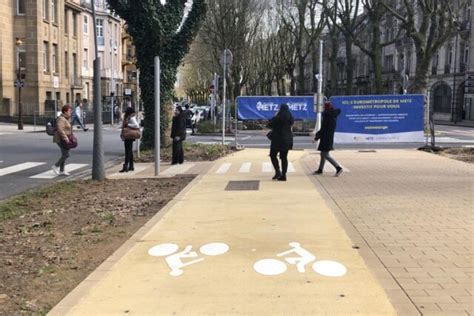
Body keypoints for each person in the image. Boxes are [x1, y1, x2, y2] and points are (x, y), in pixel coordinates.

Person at [313, 101, 343, 177]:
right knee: (323, 154)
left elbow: (323, 129)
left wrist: (316, 137)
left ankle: (338, 167)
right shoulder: (333, 115)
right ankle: (320, 169)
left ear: (326, 108)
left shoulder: (327, 116)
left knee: (325, 154)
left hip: (325, 138)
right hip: (329, 137)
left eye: (324, 106)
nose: (323, 107)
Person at [268, 104, 294, 181]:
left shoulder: (278, 118)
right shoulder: (290, 118)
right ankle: (284, 175)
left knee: (273, 155)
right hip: (287, 140)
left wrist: (275, 115)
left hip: (277, 140)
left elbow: (270, 124)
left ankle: (277, 171)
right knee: (284, 157)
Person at [52, 105, 73, 176]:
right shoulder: (61, 118)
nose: (71, 112)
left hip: (65, 138)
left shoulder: (66, 118)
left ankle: (62, 170)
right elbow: (60, 129)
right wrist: (65, 138)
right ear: (65, 111)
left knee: (64, 154)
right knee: (67, 154)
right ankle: (55, 166)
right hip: (61, 139)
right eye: (69, 111)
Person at [120, 107, 140, 173]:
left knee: (127, 151)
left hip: (129, 136)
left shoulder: (131, 118)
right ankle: (131, 166)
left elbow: (136, 125)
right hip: (128, 136)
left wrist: (128, 124)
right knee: (130, 151)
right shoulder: (129, 117)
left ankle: (126, 166)